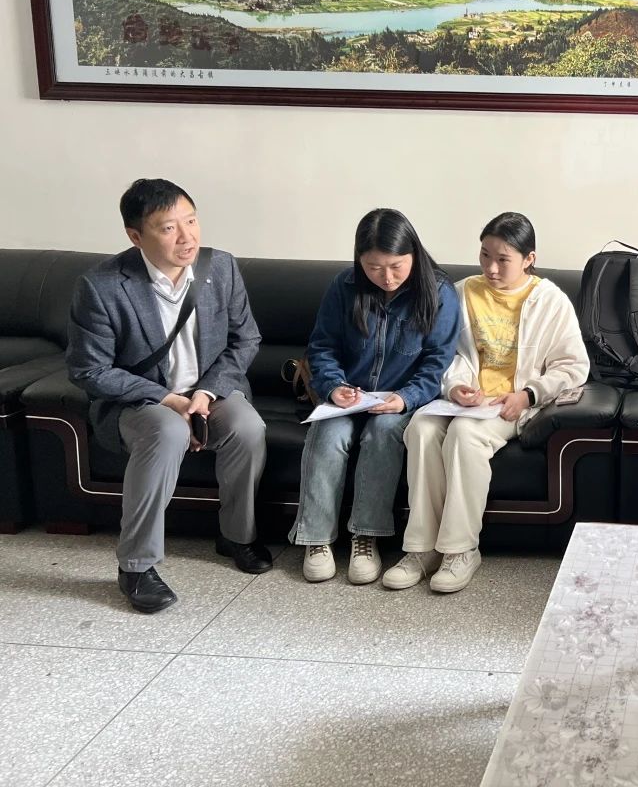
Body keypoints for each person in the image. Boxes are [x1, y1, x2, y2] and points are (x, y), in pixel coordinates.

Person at [67, 178, 270, 614]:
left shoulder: (220, 267)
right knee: (168, 432)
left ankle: (237, 536)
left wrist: (206, 392)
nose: (187, 237)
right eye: (168, 228)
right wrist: (167, 399)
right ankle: (136, 566)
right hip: (139, 401)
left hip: (211, 391)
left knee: (248, 427)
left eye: (191, 221)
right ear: (136, 235)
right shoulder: (101, 285)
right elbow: (89, 369)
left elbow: (245, 339)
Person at [383, 212, 588, 593]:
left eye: (503, 259)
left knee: (465, 435)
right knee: (421, 429)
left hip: (513, 403)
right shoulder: (460, 293)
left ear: (529, 259)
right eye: (485, 256)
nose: (491, 268)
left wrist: (528, 394)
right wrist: (456, 386)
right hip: (463, 401)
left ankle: (461, 550)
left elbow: (573, 366)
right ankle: (421, 549)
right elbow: (443, 355)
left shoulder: (550, 301)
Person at [289, 209, 460, 585]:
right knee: (329, 433)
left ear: (413, 254)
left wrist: (405, 397)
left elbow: (438, 361)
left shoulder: (439, 292)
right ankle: (316, 539)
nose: (387, 277)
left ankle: (365, 537)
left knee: (383, 433)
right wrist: (334, 386)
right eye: (374, 267)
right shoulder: (344, 286)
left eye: (396, 266)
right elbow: (323, 346)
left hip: (399, 400)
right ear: (359, 260)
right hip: (349, 396)